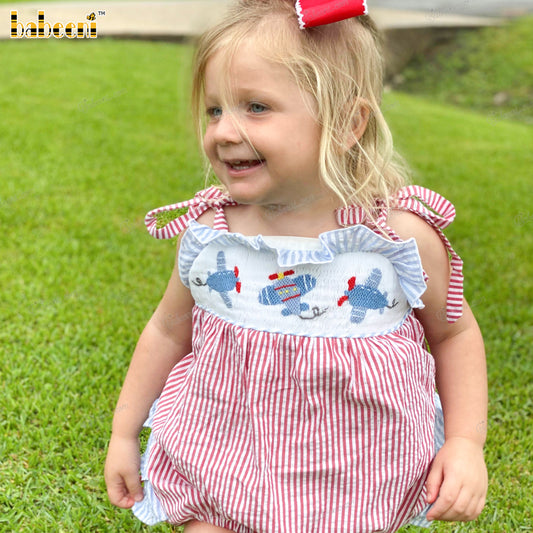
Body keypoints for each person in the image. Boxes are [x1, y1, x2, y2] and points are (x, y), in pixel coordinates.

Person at [104, 1, 488, 531]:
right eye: (215, 110)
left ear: (347, 123)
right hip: (225, 458)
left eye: (256, 107)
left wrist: (465, 443)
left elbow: (453, 335)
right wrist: (125, 433)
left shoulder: (393, 238)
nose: (222, 131)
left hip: (355, 472)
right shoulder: (212, 233)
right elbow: (168, 331)